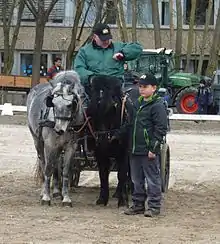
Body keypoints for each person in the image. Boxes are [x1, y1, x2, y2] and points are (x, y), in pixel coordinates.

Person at [124, 73, 168, 218]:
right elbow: (131, 125)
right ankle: (138, 205)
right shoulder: (137, 103)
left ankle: (154, 206)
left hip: (148, 149)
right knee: (136, 179)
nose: (142, 89)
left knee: (152, 179)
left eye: (145, 87)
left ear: (154, 88)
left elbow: (160, 128)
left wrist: (153, 148)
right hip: (135, 149)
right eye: (140, 86)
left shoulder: (157, 105)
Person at [73, 23, 143, 98]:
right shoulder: (84, 51)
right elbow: (79, 68)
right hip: (93, 90)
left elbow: (137, 48)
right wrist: (91, 78)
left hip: (115, 89)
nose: (106, 41)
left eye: (108, 38)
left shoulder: (118, 47)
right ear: (94, 37)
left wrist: (123, 54)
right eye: (103, 39)